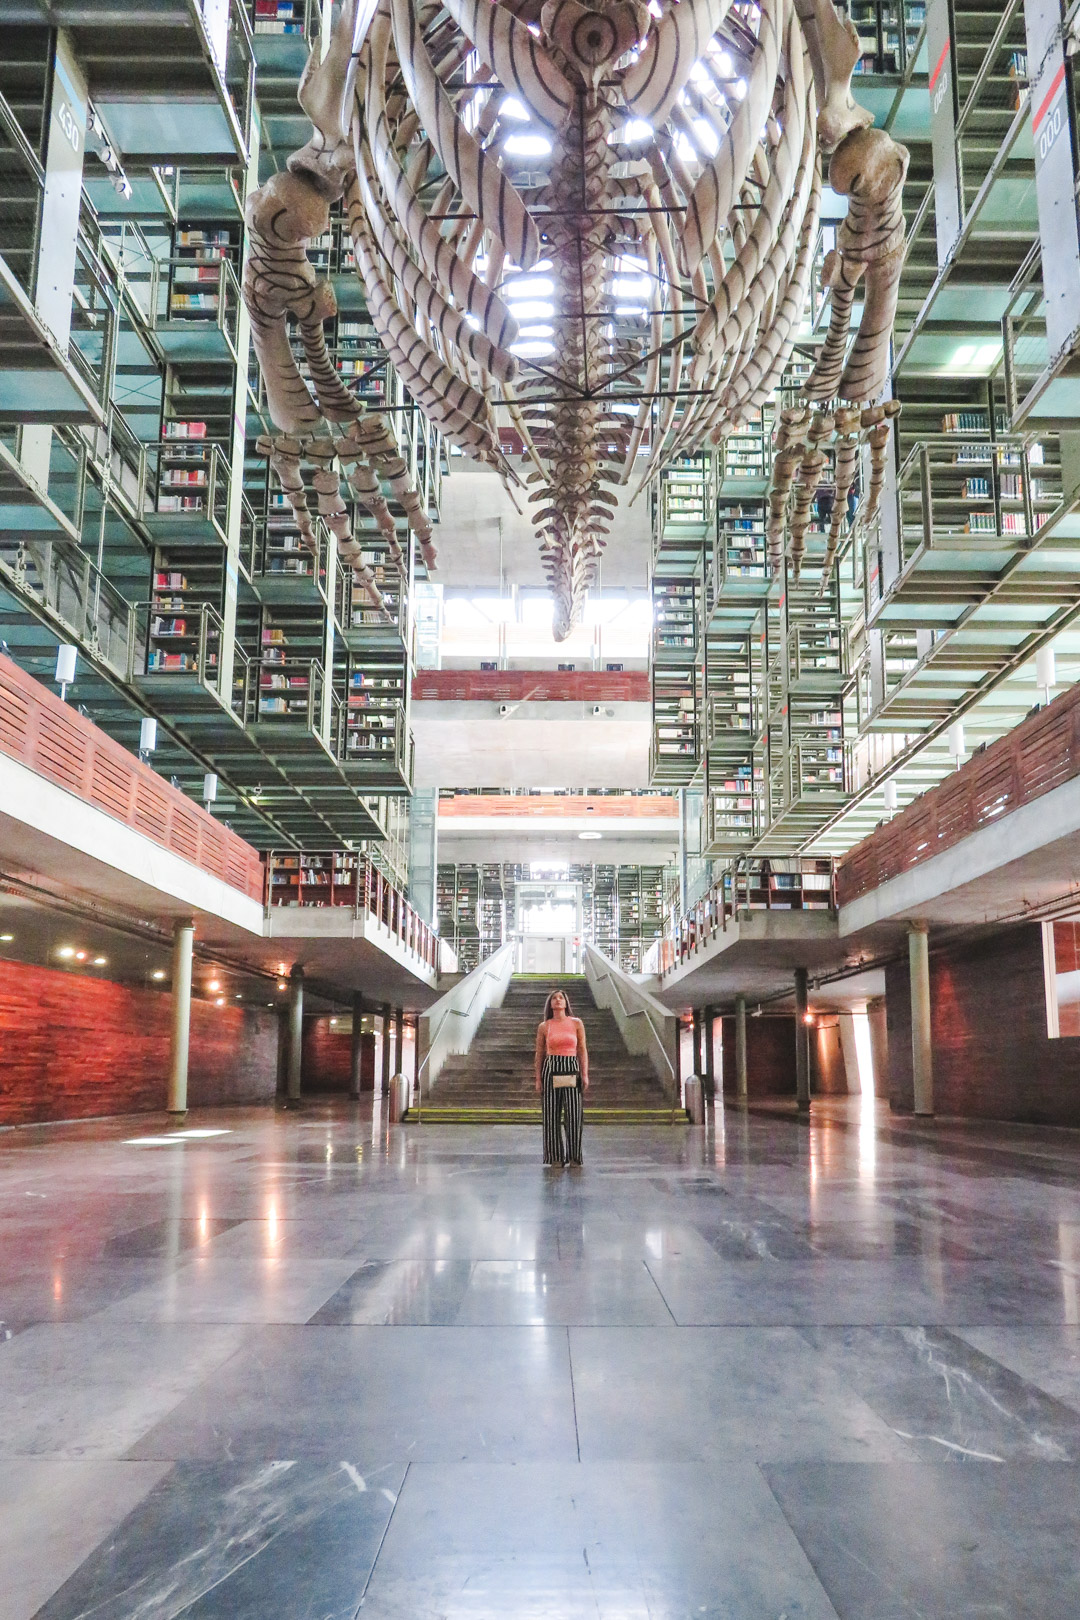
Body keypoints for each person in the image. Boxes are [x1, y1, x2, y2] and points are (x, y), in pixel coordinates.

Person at [534, 987, 589, 1168]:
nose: (558, 1000)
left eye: (561, 998)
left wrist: (585, 1074)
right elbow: (539, 1053)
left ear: (566, 1003)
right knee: (551, 1115)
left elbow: (582, 1049)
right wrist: (538, 1078)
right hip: (551, 1068)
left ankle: (574, 1156)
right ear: (550, 1004)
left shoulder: (576, 1023)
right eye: (554, 998)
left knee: (574, 1114)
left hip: (571, 1067)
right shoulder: (544, 1026)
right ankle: (555, 1157)